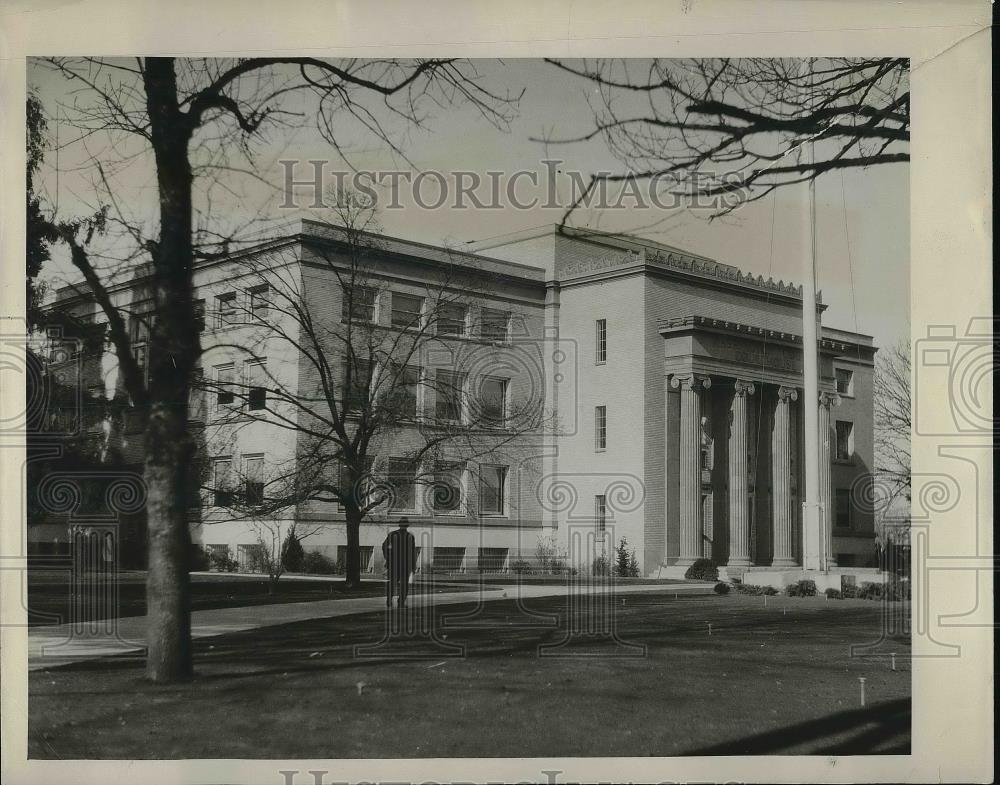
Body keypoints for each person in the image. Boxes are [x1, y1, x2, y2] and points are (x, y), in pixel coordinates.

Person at [382, 517, 417, 609]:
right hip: (405, 564)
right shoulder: (410, 536)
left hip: (395, 563)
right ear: (407, 526)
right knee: (404, 584)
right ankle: (400, 602)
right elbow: (412, 552)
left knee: (392, 583)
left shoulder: (393, 534)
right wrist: (413, 565)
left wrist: (388, 557)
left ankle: (389, 599)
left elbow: (384, 546)